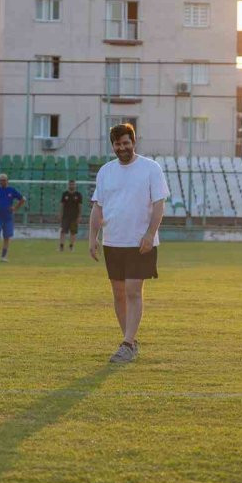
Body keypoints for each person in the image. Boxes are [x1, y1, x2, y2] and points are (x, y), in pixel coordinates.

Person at [88, 123, 169, 364]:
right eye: (117, 144)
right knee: (119, 293)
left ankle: (126, 343)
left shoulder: (150, 168)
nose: (122, 148)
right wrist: (92, 237)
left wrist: (150, 234)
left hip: (140, 242)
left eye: (126, 143)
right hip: (113, 240)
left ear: (134, 142)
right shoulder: (106, 171)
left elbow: (159, 205)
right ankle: (130, 341)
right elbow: (97, 207)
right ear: (112, 145)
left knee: (133, 290)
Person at [0, 173, 25, 262]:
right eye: (1, 180)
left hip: (8, 218)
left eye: (4, 180)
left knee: (7, 237)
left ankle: (3, 257)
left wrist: (15, 208)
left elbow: (22, 199)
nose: (2, 182)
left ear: (7, 180)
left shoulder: (12, 190)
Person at [59, 179, 83, 252]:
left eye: (73, 184)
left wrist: (79, 216)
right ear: (68, 185)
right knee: (63, 231)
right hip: (65, 216)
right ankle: (61, 247)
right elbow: (62, 205)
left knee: (73, 232)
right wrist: (60, 214)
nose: (71, 186)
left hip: (74, 217)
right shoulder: (65, 194)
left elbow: (80, 206)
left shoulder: (78, 195)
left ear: (75, 185)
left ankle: (71, 247)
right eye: (70, 184)